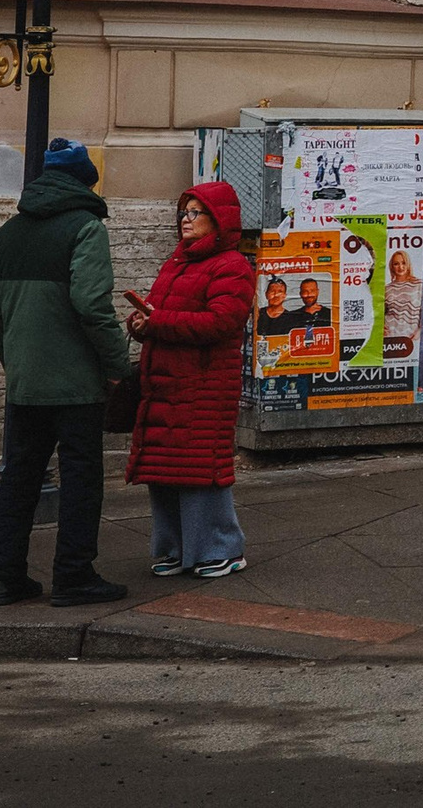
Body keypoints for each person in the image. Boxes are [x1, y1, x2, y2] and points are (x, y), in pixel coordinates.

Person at [0, 137, 134, 606]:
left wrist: (19, 366)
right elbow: (92, 304)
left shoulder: (11, 232)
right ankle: (73, 575)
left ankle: (6, 578)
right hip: (75, 384)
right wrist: (118, 366)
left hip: (25, 383)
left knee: (18, 480)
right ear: (85, 182)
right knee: (81, 479)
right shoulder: (86, 227)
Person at [127, 181, 254, 579]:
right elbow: (162, 314)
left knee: (201, 471)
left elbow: (222, 322)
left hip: (204, 385)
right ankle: (173, 550)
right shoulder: (178, 261)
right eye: (184, 212)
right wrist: (141, 324)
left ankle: (219, 549)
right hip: (166, 382)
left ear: (217, 220)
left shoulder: (232, 266)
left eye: (196, 213)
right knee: (164, 470)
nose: (186, 219)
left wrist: (158, 321)